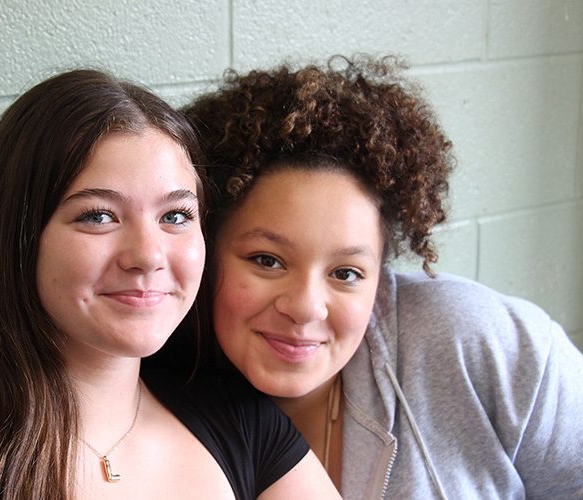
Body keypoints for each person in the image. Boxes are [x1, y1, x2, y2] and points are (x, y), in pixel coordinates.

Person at [0, 69, 339, 499]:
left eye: (175, 216)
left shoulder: (236, 419)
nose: (148, 256)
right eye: (98, 216)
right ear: (19, 235)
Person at [180, 56, 583, 499]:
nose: (305, 307)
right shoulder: (143, 402)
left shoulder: (478, 341)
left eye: (346, 272)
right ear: (207, 248)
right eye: (267, 260)